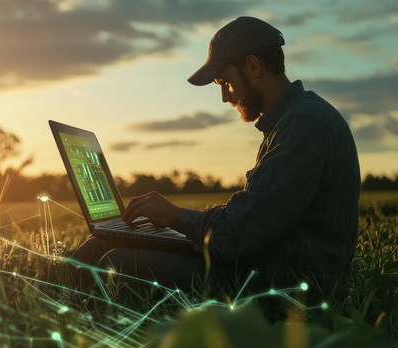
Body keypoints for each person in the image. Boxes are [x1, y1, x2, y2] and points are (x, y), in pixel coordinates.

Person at [69, 16, 360, 302]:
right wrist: (177, 222)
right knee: (104, 243)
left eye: (225, 83)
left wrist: (173, 215)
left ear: (253, 66)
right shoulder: (292, 119)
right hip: (259, 268)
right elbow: (252, 216)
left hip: (282, 289)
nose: (224, 97)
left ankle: (63, 313)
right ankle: (37, 297)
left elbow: (237, 237)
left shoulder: (305, 123)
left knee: (119, 262)